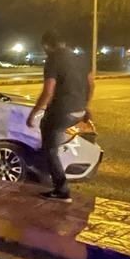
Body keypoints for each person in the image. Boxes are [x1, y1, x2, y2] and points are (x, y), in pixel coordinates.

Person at [26, 29, 93, 202]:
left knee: (49, 148)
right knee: (53, 141)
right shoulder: (81, 58)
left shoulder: (53, 59)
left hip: (62, 111)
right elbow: (92, 85)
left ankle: (61, 189)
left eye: (44, 47)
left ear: (47, 45)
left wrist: (33, 114)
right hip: (79, 110)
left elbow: (48, 91)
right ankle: (54, 173)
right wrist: (86, 106)